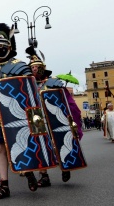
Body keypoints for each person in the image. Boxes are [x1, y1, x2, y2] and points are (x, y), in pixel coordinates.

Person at [0, 23, 36, 199]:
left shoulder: (20, 67)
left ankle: (28, 170)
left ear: (8, 47)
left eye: (0, 47)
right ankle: (4, 184)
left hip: (17, 110)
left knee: (20, 142)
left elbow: (29, 91)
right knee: (0, 147)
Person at [25, 45, 83, 187]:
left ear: (42, 67)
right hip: (36, 119)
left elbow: (67, 102)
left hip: (53, 119)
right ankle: (44, 176)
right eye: (31, 67)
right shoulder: (28, 85)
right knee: (39, 146)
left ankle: (64, 165)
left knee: (56, 143)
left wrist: (70, 119)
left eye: (36, 67)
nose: (33, 69)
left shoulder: (53, 83)